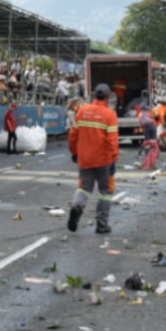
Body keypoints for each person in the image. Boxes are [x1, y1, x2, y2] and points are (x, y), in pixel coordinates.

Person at [67, 83, 120, 235]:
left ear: (95, 95)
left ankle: (77, 206)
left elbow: (72, 135)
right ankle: (101, 225)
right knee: (105, 191)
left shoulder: (82, 111)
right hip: (103, 161)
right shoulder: (110, 115)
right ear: (108, 97)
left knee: (84, 188)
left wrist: (75, 152)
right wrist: (114, 158)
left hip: (85, 159)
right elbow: (112, 140)